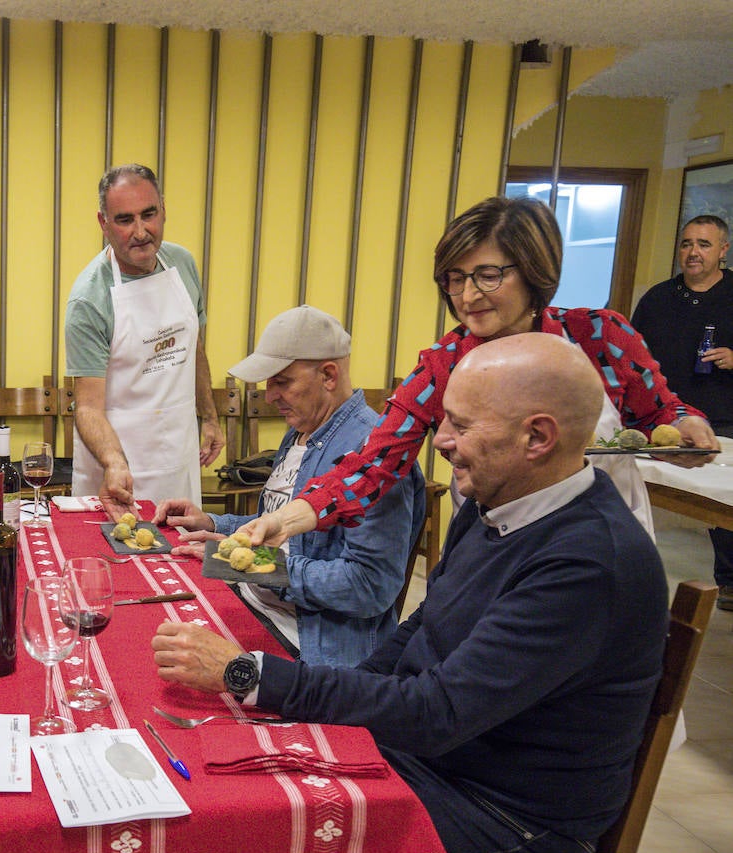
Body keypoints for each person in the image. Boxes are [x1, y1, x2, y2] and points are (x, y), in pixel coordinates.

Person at [153, 333, 669, 853]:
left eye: (462, 426)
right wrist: (338, 693)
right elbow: (426, 621)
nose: (441, 441)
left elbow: (437, 714)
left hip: (510, 825)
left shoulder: (588, 562)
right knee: (246, 780)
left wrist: (251, 674)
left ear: (538, 437)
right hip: (443, 764)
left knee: (253, 827)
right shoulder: (497, 499)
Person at [245, 195, 717, 550]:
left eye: (488, 275)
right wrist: (287, 519)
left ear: (534, 271)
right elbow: (376, 460)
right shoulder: (445, 361)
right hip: (497, 541)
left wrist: (683, 424)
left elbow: (659, 412)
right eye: (454, 278)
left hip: (602, 539)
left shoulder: (601, 336)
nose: (468, 296)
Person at [151, 306, 424, 667]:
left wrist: (251, 566)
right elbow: (281, 527)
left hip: (311, 648)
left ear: (328, 375)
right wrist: (215, 524)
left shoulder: (375, 456)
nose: (269, 396)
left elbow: (369, 586)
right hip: (258, 608)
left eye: (282, 382)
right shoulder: (301, 432)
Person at [65, 164, 224, 519]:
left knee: (181, 559)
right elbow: (88, 407)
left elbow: (194, 347)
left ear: (163, 209)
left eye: (149, 215)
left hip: (178, 456)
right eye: (124, 220)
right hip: (118, 470)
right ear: (103, 223)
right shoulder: (89, 299)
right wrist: (114, 462)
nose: (141, 232)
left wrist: (210, 417)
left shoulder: (182, 264)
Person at [632, 214, 733, 609]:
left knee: (725, 504)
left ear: (723, 250)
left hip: (725, 413)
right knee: (641, 490)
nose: (693, 252)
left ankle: (729, 582)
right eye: (687, 243)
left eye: (704, 244)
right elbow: (634, 358)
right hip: (668, 418)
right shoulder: (658, 298)